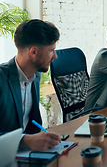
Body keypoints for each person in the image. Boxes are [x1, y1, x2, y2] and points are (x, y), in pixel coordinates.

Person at [0, 19, 61, 151]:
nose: (55, 56)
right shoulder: (1, 80)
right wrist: (25, 140)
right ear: (34, 52)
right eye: (52, 50)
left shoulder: (35, 75)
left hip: (26, 155)